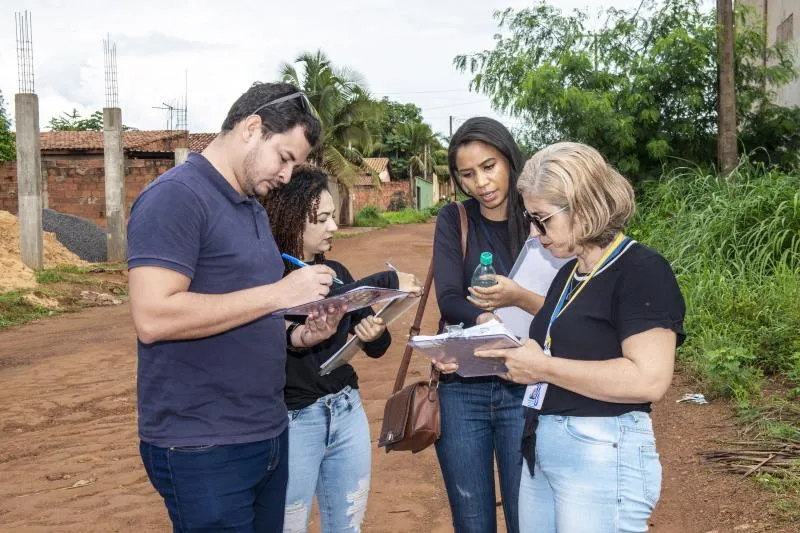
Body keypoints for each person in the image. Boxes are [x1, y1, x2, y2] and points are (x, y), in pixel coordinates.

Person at [127, 82, 339, 533]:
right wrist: (280, 295)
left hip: (264, 432)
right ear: (252, 128)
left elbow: (249, 310)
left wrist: (299, 334)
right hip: (202, 444)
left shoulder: (251, 208)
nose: (286, 176)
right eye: (284, 158)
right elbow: (153, 317)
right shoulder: (176, 198)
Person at [475, 142, 686, 533]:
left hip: (601, 452)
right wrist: (486, 357)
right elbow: (551, 358)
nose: (536, 235)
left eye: (542, 220)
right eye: (530, 220)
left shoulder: (641, 270)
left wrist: (543, 366)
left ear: (584, 207)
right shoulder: (568, 274)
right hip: (543, 446)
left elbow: (649, 380)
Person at [260, 165, 421, 533]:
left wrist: (373, 331)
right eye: (322, 218)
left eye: (333, 216)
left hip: (346, 411)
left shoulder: (336, 271)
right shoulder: (269, 280)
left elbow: (378, 347)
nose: (333, 226)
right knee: (288, 526)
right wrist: (385, 281)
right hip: (294, 421)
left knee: (347, 526)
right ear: (291, 218)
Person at [431, 117, 549, 533]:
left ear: (509, 160)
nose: (481, 182)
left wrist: (517, 297)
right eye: (467, 174)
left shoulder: (542, 221)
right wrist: (488, 319)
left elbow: (565, 304)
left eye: (489, 166)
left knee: (528, 518)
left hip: (527, 387)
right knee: (472, 520)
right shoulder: (454, 219)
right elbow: (448, 297)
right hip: (464, 389)